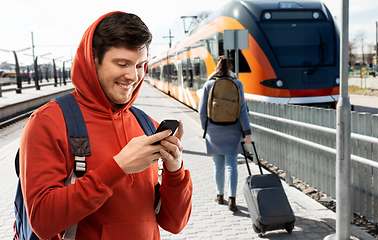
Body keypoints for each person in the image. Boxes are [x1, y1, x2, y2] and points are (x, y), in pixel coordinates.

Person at [19, 12, 192, 240]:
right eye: (122, 64)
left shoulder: (147, 124)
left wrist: (175, 171)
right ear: (93, 60)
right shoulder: (49, 121)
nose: (133, 75)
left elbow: (174, 223)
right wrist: (118, 168)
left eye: (141, 65)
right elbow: (42, 221)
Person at [198, 56, 252, 212]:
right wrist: (247, 132)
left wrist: (206, 129)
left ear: (216, 67)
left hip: (214, 132)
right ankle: (232, 200)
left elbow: (202, 112)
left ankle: (219, 195)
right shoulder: (237, 84)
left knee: (218, 165)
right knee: (231, 165)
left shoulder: (209, 85)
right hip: (233, 130)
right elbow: (242, 111)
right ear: (230, 68)